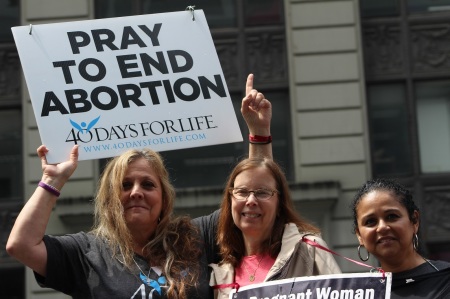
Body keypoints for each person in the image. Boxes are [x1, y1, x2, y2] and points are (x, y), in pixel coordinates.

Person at [6, 73, 273, 299]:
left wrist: (259, 134)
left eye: (148, 184)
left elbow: (256, 196)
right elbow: (21, 245)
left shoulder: (197, 237)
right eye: (125, 185)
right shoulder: (86, 253)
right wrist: (52, 180)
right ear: (110, 198)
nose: (136, 192)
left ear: (164, 197)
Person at [209, 157, 341, 298]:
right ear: (230, 201)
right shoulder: (220, 274)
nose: (251, 200)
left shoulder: (310, 251)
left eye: (262, 192)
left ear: (279, 205)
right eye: (242, 192)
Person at [351, 178, 450, 298]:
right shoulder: (357, 292)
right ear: (359, 235)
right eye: (370, 221)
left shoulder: (445, 279)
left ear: (414, 221)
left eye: (392, 216)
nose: (382, 227)